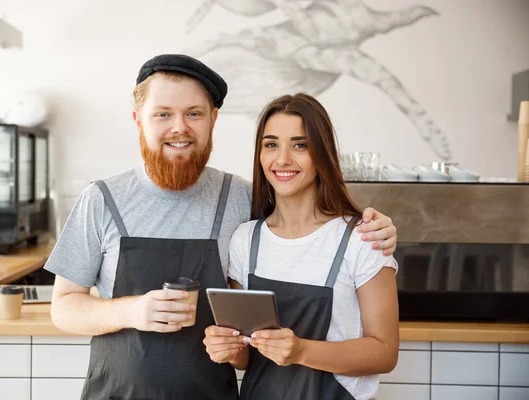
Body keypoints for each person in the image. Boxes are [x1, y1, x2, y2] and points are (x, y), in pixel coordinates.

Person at [45, 55, 398, 400]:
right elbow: (63, 308)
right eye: (163, 114)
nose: (179, 127)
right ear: (139, 120)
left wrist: (375, 226)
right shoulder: (101, 199)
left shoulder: (243, 198)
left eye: (193, 114)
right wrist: (131, 311)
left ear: (213, 120)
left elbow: (307, 220)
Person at [203, 93, 399, 400]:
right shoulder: (245, 240)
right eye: (271, 145)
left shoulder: (361, 239)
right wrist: (226, 348)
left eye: (299, 145)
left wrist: (301, 351)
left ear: (321, 154)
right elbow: (246, 356)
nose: (282, 159)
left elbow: (385, 353)